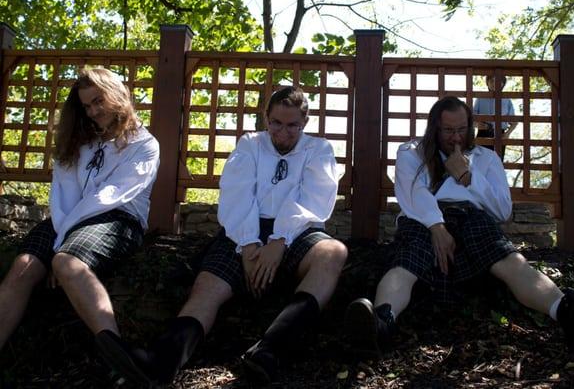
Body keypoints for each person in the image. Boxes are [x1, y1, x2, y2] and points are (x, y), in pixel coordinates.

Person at [344, 96, 574, 358]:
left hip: (471, 218)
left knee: (508, 260)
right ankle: (381, 323)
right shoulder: (412, 152)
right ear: (435, 128)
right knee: (406, 262)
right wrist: (437, 226)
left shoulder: (486, 158)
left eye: (462, 129)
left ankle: (569, 312)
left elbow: (502, 209)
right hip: (423, 221)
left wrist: (467, 178)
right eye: (448, 130)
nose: (456, 137)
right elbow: (413, 193)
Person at [125, 86, 347, 386]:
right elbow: (238, 194)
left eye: (292, 125)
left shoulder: (318, 150)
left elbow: (312, 202)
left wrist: (279, 241)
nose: (283, 132)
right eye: (276, 123)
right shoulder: (250, 145)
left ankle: (271, 348)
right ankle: (163, 361)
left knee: (332, 253)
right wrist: (250, 242)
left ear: (304, 122)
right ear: (266, 119)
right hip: (245, 228)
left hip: (297, 232)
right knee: (207, 286)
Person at [0, 68, 160, 383]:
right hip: (67, 218)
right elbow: (64, 195)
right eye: (86, 106)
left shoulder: (144, 144)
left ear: (118, 95)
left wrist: (61, 244)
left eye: (98, 101)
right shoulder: (79, 143)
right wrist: (62, 231)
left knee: (67, 262)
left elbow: (108, 197)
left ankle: (117, 352)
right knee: (23, 266)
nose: (93, 111)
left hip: (119, 219)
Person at [473, 75, 516, 158]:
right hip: (483, 133)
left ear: (503, 84)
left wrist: (507, 134)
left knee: (497, 163)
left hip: (500, 135)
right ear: (487, 83)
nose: (494, 83)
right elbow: (472, 119)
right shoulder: (480, 97)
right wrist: (478, 125)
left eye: (498, 81)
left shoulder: (507, 100)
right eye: (491, 81)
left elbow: (514, 121)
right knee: (479, 162)